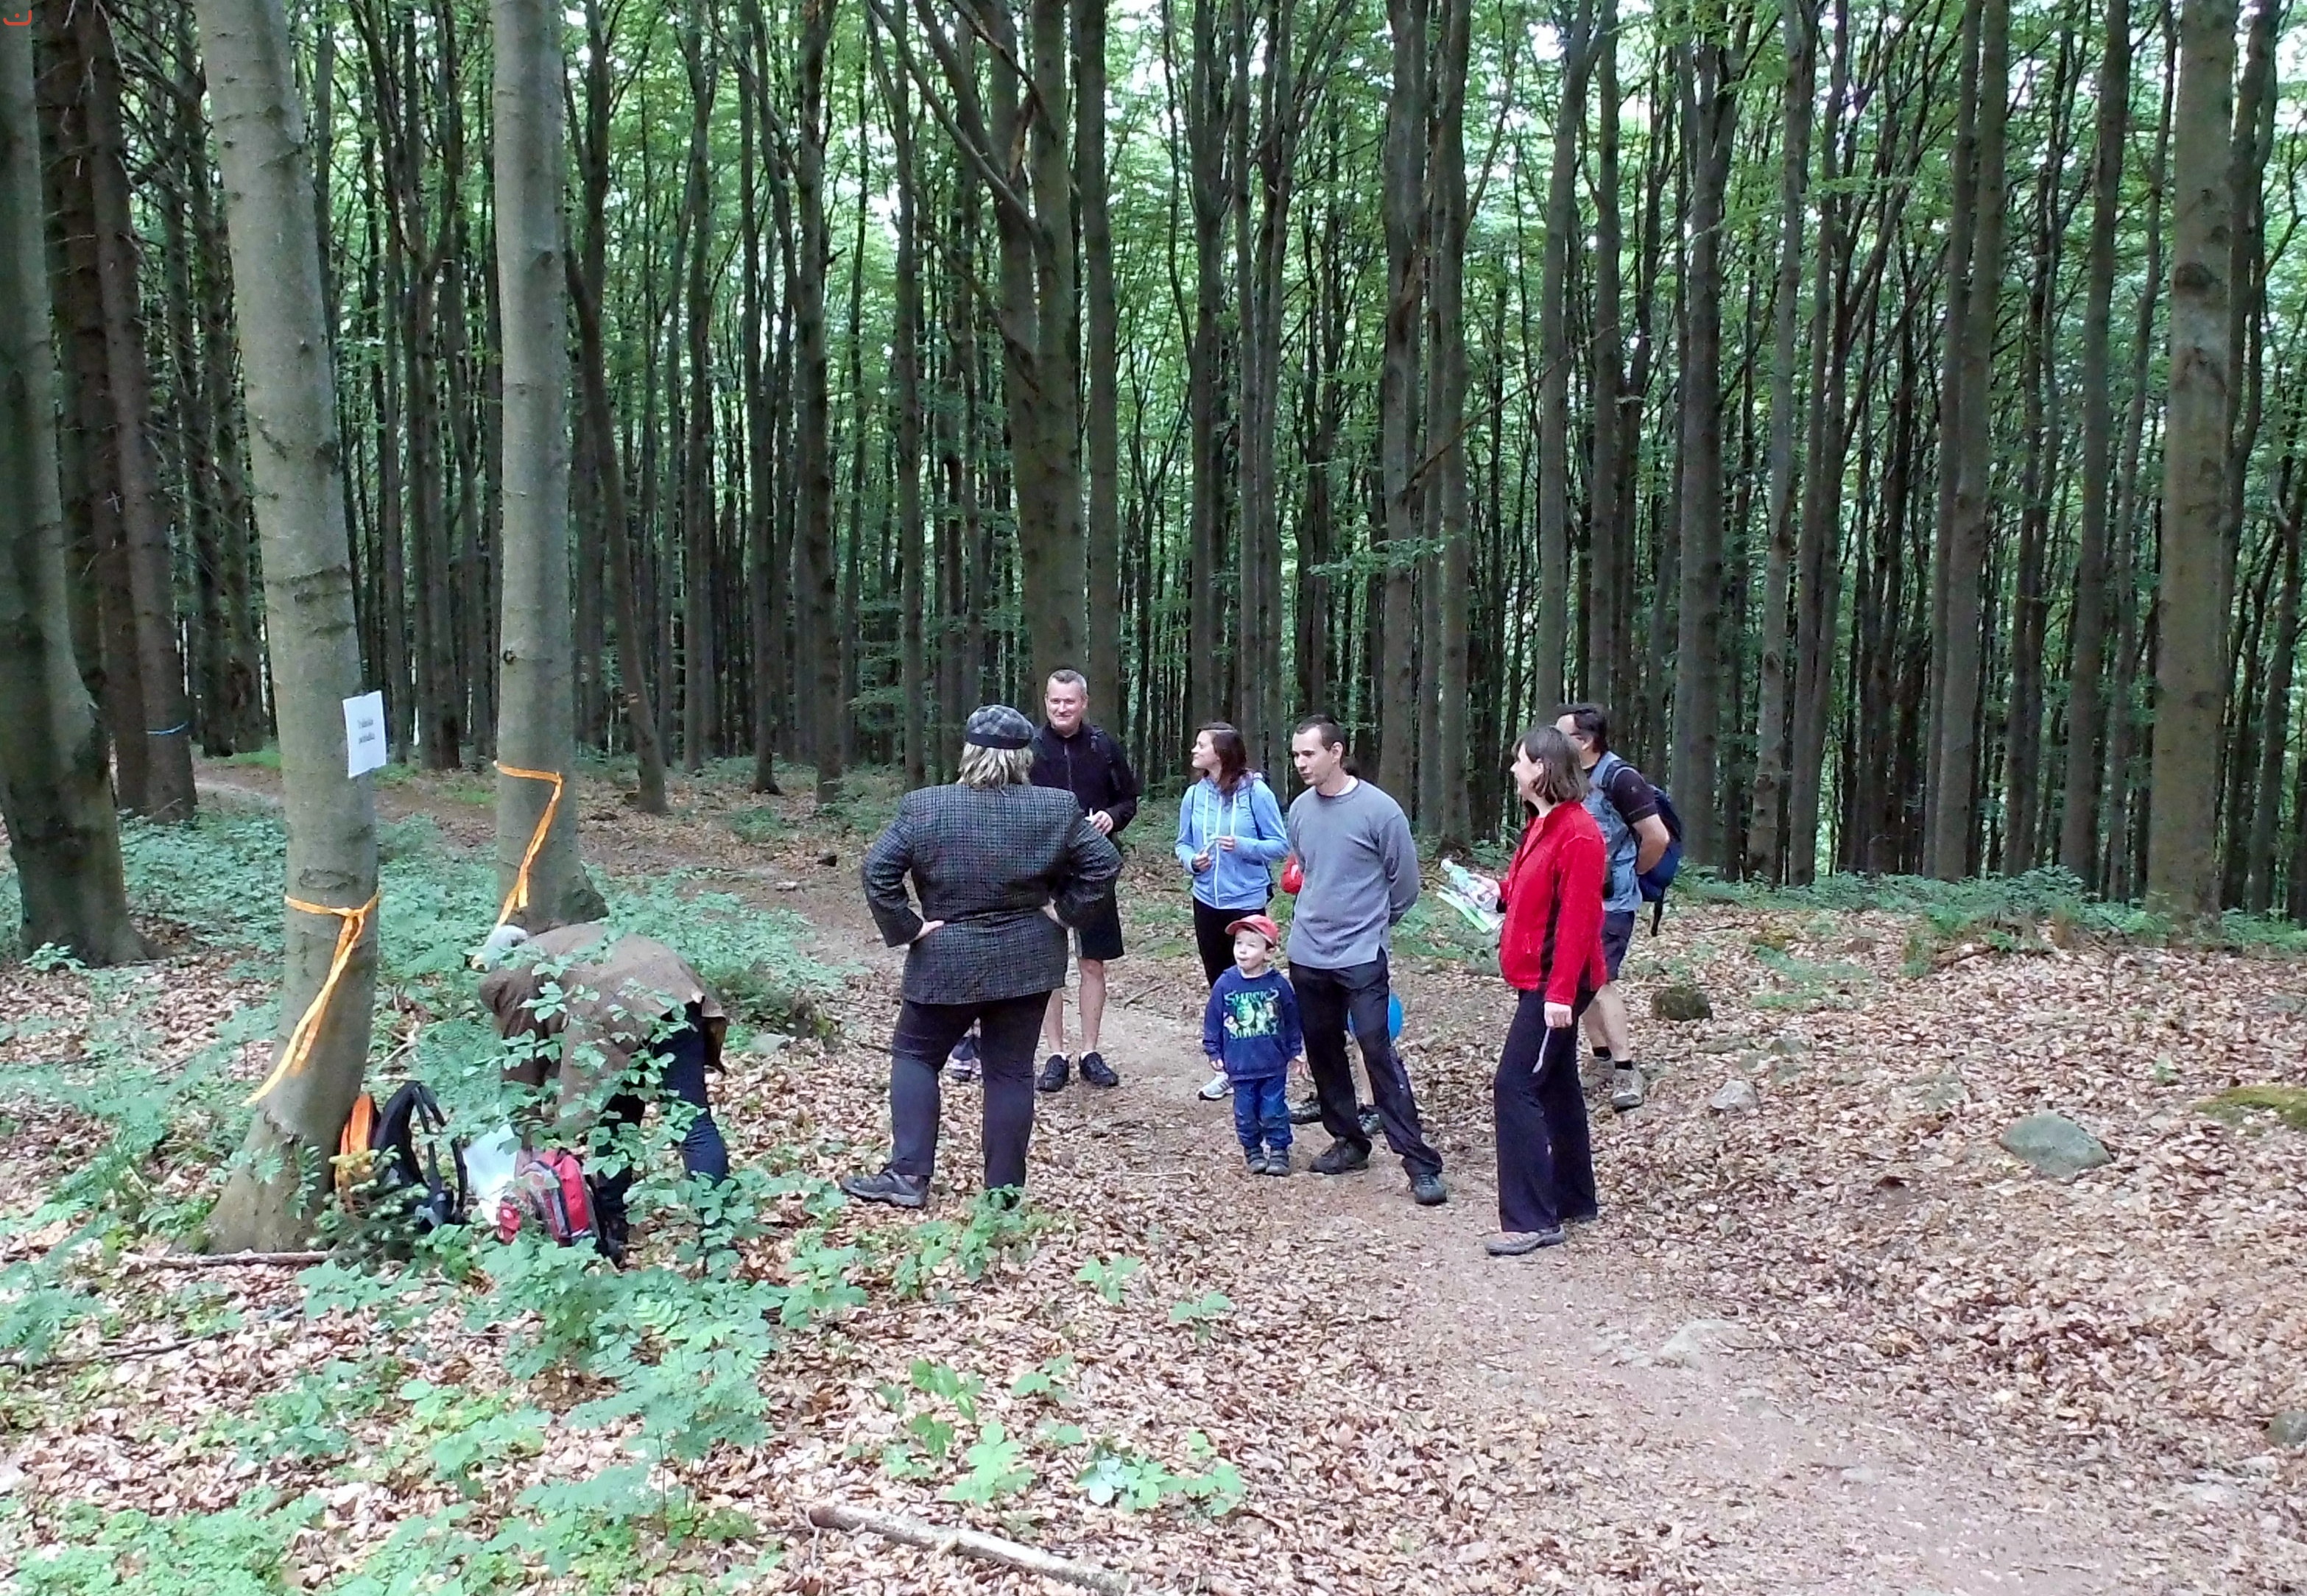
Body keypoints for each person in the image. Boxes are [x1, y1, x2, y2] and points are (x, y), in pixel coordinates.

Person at [845, 705, 1121, 1208]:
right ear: (1023, 758)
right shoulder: (1055, 807)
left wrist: (909, 928)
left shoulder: (926, 806)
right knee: (1010, 1072)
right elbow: (1103, 863)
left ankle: (908, 1177)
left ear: (968, 752)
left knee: (916, 1056)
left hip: (946, 956)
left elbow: (877, 872)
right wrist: (1065, 912)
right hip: (1028, 957)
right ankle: (1002, 1194)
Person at [477, 922, 730, 1263]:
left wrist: (527, 1137)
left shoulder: (512, 976)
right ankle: (715, 1236)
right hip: (675, 990)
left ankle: (615, 1224)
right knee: (672, 1120)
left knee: (630, 1121)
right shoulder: (561, 942)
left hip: (617, 1007)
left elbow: (521, 1073)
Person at [1283, 716, 1448, 1207]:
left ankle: (1419, 1162)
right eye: (1296, 755)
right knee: (1323, 1048)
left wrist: (1374, 922)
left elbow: (1405, 884)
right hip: (1308, 950)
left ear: (1335, 752)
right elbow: (1307, 868)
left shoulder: (1380, 811)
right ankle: (1349, 1140)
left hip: (1361, 954)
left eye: (1308, 754)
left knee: (1376, 1047)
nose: (1300, 764)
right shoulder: (1299, 809)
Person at [1487, 725, 1609, 1256]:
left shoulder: (1579, 833)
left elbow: (1580, 921)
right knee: (1557, 1085)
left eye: (1519, 761)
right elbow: (1527, 890)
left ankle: (1532, 1219)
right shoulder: (1542, 824)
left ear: (1540, 768)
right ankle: (1574, 1198)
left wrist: (1560, 994)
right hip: (1536, 977)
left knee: (1515, 1086)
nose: (1513, 770)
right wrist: (1495, 892)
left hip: (1555, 982)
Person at [1555, 704, 1672, 1112]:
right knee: (1578, 979)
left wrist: (1631, 873)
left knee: (1601, 981)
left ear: (1585, 741)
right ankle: (1602, 1058)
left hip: (1612, 902)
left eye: (1562, 735)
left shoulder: (1622, 779)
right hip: (1573, 897)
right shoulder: (1568, 778)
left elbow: (1656, 837)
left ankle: (1626, 1068)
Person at [1030, 670, 1141, 1092]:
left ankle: (1090, 1052)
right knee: (1048, 965)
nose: (1062, 708)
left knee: (1093, 961)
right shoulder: (1029, 749)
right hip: (1044, 868)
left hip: (1095, 868)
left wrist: (1112, 817)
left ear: (1084, 703)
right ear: (1046, 701)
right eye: (1055, 701)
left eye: (1070, 701)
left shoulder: (1103, 746)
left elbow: (1128, 799)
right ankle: (1055, 1054)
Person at [1175, 721, 1290, 1101]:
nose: (1194, 750)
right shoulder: (1194, 795)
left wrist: (1242, 845)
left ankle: (1261, 1067)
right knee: (1222, 986)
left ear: (1221, 753)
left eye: (1201, 745)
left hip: (1247, 903)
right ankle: (1227, 1068)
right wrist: (1193, 862)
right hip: (1206, 901)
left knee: (1251, 987)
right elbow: (1182, 844)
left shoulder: (1256, 792)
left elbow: (1279, 845)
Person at [1201, 914, 1303, 1175]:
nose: (1242, 950)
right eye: (1239, 943)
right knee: (1245, 1112)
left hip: (1273, 1064)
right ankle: (1253, 1150)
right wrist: (1213, 1049)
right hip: (1240, 1065)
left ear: (1268, 953)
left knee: (1274, 1110)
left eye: (1251, 945)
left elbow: (1292, 1020)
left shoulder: (1278, 985)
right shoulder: (1226, 984)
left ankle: (1278, 1151)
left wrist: (1295, 1051)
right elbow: (1213, 1019)